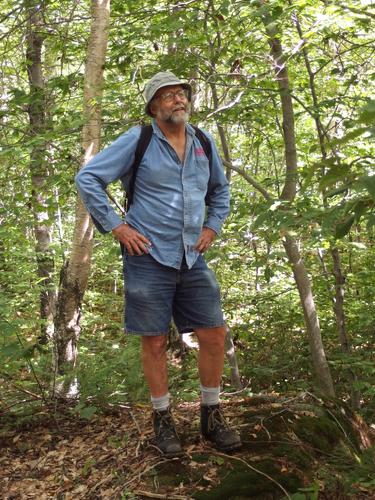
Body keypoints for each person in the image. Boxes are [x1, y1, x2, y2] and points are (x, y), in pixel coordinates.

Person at [75, 71, 241, 456]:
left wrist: (212, 227)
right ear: (154, 107)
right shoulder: (140, 139)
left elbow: (220, 191)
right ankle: (162, 419)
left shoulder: (202, 142)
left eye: (181, 94)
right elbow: (88, 178)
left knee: (214, 333)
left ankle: (211, 414)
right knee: (153, 339)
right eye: (167, 96)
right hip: (148, 255)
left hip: (192, 255)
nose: (178, 100)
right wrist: (117, 227)